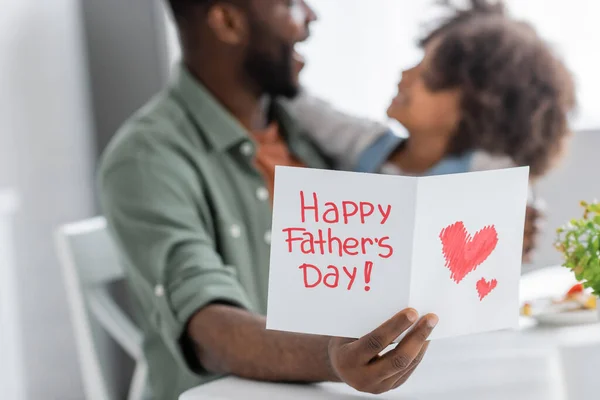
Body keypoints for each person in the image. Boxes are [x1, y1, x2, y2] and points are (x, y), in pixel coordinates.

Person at [98, 1, 437, 399]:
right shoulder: (146, 159)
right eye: (291, 4)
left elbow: (376, 247)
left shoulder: (308, 133)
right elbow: (208, 329)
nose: (311, 16)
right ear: (227, 22)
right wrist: (331, 358)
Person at [296, 0, 576, 263]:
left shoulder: (488, 173)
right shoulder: (369, 145)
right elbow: (305, 110)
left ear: (478, 106)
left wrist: (519, 231)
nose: (405, 75)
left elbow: (507, 240)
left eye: (426, 77)